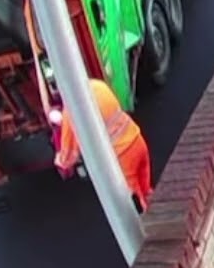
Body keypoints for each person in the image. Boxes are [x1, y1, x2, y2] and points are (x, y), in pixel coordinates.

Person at [53, 78, 152, 212]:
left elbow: (68, 158)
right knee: (147, 192)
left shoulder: (71, 111)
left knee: (136, 206)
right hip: (137, 141)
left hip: (122, 158)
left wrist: (59, 159)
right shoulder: (98, 86)